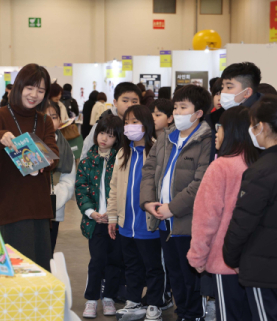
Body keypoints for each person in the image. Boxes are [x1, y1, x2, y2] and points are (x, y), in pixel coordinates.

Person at [223, 95, 277, 321]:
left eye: (252, 124)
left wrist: (231, 257)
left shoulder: (261, 170)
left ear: (263, 126)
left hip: (263, 269)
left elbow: (242, 223)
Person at [141, 85, 212, 321]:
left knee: (189, 274)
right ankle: (183, 313)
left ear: (199, 112)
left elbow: (200, 182)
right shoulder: (165, 137)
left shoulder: (206, 139)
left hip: (186, 220)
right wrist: (148, 201)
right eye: (176, 107)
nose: (178, 112)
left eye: (184, 107)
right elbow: (149, 169)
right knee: (173, 272)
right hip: (163, 218)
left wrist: (173, 208)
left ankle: (193, 315)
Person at [0, 63, 58, 271]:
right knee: (9, 271)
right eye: (30, 88)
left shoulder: (44, 121)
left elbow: (54, 153)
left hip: (37, 207)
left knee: (37, 270)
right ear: (19, 87)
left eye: (41, 91)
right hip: (6, 205)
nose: (34, 95)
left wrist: (48, 159)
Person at [187, 106, 259, 321]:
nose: (216, 133)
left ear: (234, 131)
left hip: (224, 258)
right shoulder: (258, 163)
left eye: (220, 128)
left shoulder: (221, 166)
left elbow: (206, 218)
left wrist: (197, 255)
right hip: (255, 261)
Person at [108, 105, 170, 321]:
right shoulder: (122, 153)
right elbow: (114, 188)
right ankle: (134, 301)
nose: (129, 126)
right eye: (127, 122)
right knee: (132, 265)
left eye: (135, 122)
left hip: (149, 223)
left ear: (147, 124)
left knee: (153, 266)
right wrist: (113, 217)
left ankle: (154, 304)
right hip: (127, 224)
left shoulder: (157, 151)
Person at [76, 115, 123, 319]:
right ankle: (92, 299)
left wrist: (114, 214)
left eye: (110, 136)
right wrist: (91, 213)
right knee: (97, 261)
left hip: (116, 221)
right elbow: (81, 189)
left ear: (117, 139)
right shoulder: (87, 161)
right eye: (102, 133)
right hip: (95, 222)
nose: (104, 138)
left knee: (115, 260)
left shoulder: (121, 160)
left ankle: (109, 298)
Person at [205, 62, 262, 163]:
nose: (223, 92)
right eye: (223, 87)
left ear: (247, 92)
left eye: (229, 87)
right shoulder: (218, 117)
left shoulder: (260, 118)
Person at [40, 102, 75, 253]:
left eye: (53, 117)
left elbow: (68, 182)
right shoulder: (28, 144)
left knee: (47, 251)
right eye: (44, 117)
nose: (48, 121)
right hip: (28, 208)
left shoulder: (65, 148)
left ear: (60, 121)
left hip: (53, 208)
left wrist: (50, 200)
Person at [81, 82, 141, 161]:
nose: (130, 105)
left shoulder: (142, 123)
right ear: (115, 102)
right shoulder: (105, 121)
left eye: (134, 102)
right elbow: (88, 145)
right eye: (125, 101)